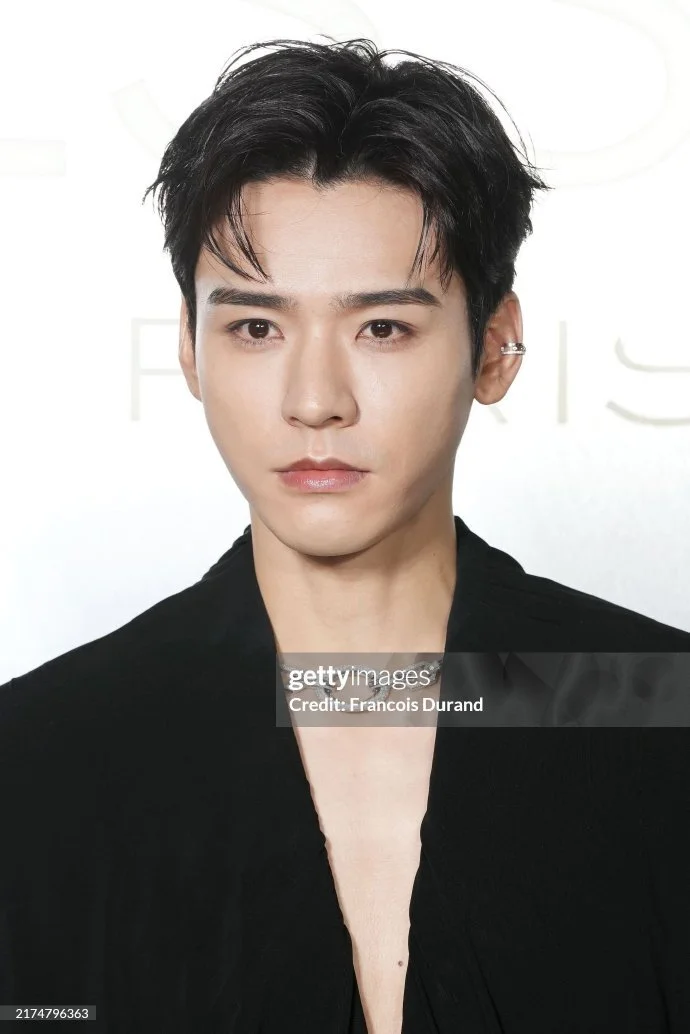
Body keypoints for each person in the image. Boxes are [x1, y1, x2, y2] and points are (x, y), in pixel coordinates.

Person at [1, 37, 689, 1034]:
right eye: (256, 328)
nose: (315, 400)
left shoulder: (657, 713)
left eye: (382, 328)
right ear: (189, 347)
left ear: (495, 346)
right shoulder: (40, 759)